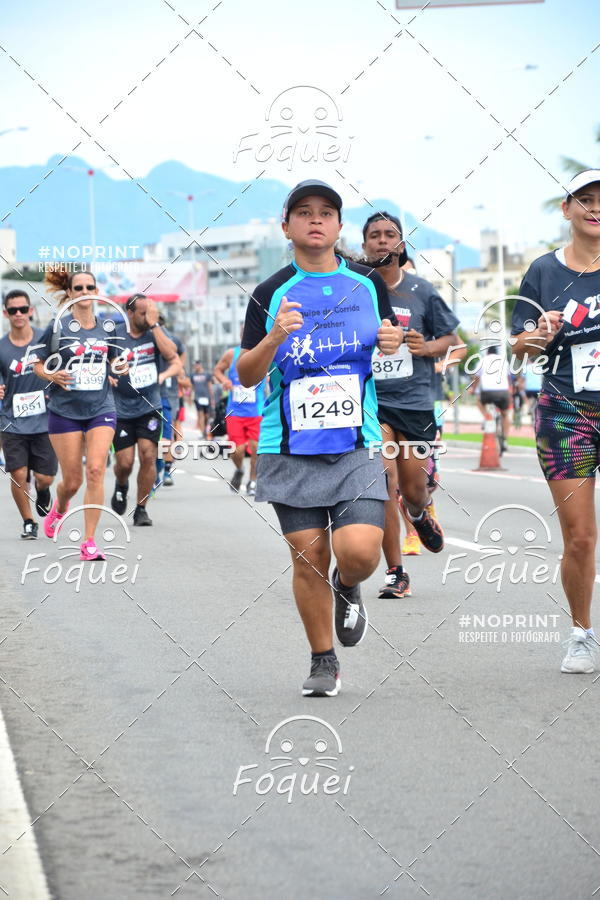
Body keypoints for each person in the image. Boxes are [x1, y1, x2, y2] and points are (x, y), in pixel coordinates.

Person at [237, 179, 401, 696]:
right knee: (308, 557)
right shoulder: (270, 293)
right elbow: (246, 374)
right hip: (290, 447)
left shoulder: (367, 284)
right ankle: (323, 659)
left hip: (356, 442)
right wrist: (274, 337)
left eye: (326, 212)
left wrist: (393, 340)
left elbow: (387, 343)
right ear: (286, 226)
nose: (315, 219)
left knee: (361, 552)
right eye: (304, 212)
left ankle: (348, 586)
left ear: (338, 226)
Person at [512, 169, 600, 674]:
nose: (595, 208)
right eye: (584, 199)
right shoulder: (543, 271)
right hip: (566, 413)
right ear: (566, 209)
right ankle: (581, 634)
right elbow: (517, 347)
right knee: (581, 537)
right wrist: (538, 334)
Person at [361, 211, 461, 600]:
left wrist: (427, 347)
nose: (382, 241)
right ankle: (396, 572)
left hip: (416, 402)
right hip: (373, 402)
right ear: (365, 245)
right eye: (375, 235)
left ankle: (419, 513)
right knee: (384, 484)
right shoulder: (356, 290)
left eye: (390, 235)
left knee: (412, 489)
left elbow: (451, 339)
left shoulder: (421, 290)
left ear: (401, 245)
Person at [32, 268, 123, 560]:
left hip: (101, 408)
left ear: (97, 292)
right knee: (72, 481)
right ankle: (60, 508)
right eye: (79, 288)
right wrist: (52, 375)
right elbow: (37, 364)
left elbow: (114, 360)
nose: (85, 292)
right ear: (70, 293)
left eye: (89, 287)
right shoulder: (58, 327)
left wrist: (119, 368)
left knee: (95, 470)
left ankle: (89, 542)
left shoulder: (108, 327)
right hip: (65, 411)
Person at [110, 293, 179, 525]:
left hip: (150, 407)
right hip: (121, 408)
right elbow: (102, 361)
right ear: (129, 313)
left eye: (150, 312)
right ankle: (121, 484)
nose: (148, 317)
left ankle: (141, 508)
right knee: (125, 462)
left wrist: (155, 325)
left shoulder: (155, 331)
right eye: (143, 313)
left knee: (148, 456)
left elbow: (172, 355)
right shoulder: (115, 334)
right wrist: (109, 374)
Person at [0, 290, 57, 539]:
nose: (18, 314)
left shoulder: (44, 341)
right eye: (13, 310)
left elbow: (58, 367)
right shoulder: (1, 347)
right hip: (12, 421)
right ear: (6, 313)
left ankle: (43, 491)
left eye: (23, 309)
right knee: (19, 474)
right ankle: (28, 521)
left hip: (44, 420)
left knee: (45, 477)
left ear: (30, 311)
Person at [214, 329, 267, 496]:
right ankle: (239, 469)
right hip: (235, 412)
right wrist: (225, 381)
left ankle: (253, 481)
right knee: (237, 450)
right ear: (241, 336)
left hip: (256, 411)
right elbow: (218, 370)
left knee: (256, 448)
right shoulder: (232, 354)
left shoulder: (265, 352)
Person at [155, 317, 185, 488]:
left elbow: (181, 359)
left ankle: (167, 469)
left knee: (169, 433)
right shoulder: (145, 339)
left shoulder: (172, 340)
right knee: (153, 437)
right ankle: (157, 466)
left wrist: (179, 373)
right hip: (151, 394)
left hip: (170, 394)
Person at [472, 345, 512, 444]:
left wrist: (473, 389)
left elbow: (476, 378)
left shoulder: (483, 360)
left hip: (487, 392)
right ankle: (505, 439)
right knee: (505, 414)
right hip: (503, 391)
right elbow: (508, 378)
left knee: (478, 401)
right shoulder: (504, 361)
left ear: (487, 353)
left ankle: (487, 417)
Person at [192, 361, 214, 437]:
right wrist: (191, 397)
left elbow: (210, 386)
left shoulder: (207, 374)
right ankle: (203, 433)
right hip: (197, 398)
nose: (195, 366)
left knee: (207, 415)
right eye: (194, 365)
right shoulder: (193, 375)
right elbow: (192, 386)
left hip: (206, 397)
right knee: (200, 415)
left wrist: (212, 398)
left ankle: (206, 429)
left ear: (200, 365)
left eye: (197, 365)